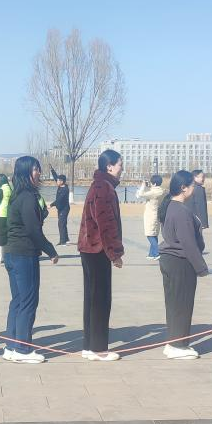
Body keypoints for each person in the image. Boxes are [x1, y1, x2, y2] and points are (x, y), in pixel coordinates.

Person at [2, 157, 59, 364]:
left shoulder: (18, 195)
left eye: (38, 169)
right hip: (23, 254)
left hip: (12, 252)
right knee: (27, 301)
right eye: (35, 169)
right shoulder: (27, 197)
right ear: (25, 172)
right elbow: (33, 230)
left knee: (18, 300)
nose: (39, 172)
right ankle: (22, 349)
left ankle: (11, 346)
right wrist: (51, 251)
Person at [77, 150, 125, 362]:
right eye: (120, 164)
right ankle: (98, 349)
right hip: (97, 249)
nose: (122, 168)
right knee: (100, 300)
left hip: (90, 248)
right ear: (109, 166)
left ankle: (89, 346)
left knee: (92, 298)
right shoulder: (104, 187)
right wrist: (114, 253)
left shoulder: (99, 185)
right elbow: (106, 223)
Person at [158, 170, 208, 360]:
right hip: (180, 261)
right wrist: (201, 267)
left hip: (170, 260)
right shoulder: (180, 210)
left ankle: (173, 342)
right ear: (183, 188)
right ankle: (178, 345)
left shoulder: (170, 206)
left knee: (174, 304)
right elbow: (188, 243)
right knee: (182, 304)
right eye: (192, 185)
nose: (194, 189)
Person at [136, 174, 165, 260]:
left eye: (151, 183)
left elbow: (140, 194)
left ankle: (156, 253)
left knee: (149, 235)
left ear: (154, 184)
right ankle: (151, 254)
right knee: (154, 234)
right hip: (157, 214)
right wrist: (149, 187)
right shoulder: (161, 191)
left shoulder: (153, 192)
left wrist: (143, 186)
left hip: (150, 216)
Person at [50, 174, 71, 245]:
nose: (57, 181)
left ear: (62, 181)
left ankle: (63, 241)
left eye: (58, 180)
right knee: (63, 224)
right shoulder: (60, 186)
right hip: (60, 208)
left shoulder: (65, 190)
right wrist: (52, 170)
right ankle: (66, 239)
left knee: (61, 224)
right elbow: (56, 177)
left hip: (64, 209)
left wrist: (51, 205)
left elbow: (59, 200)